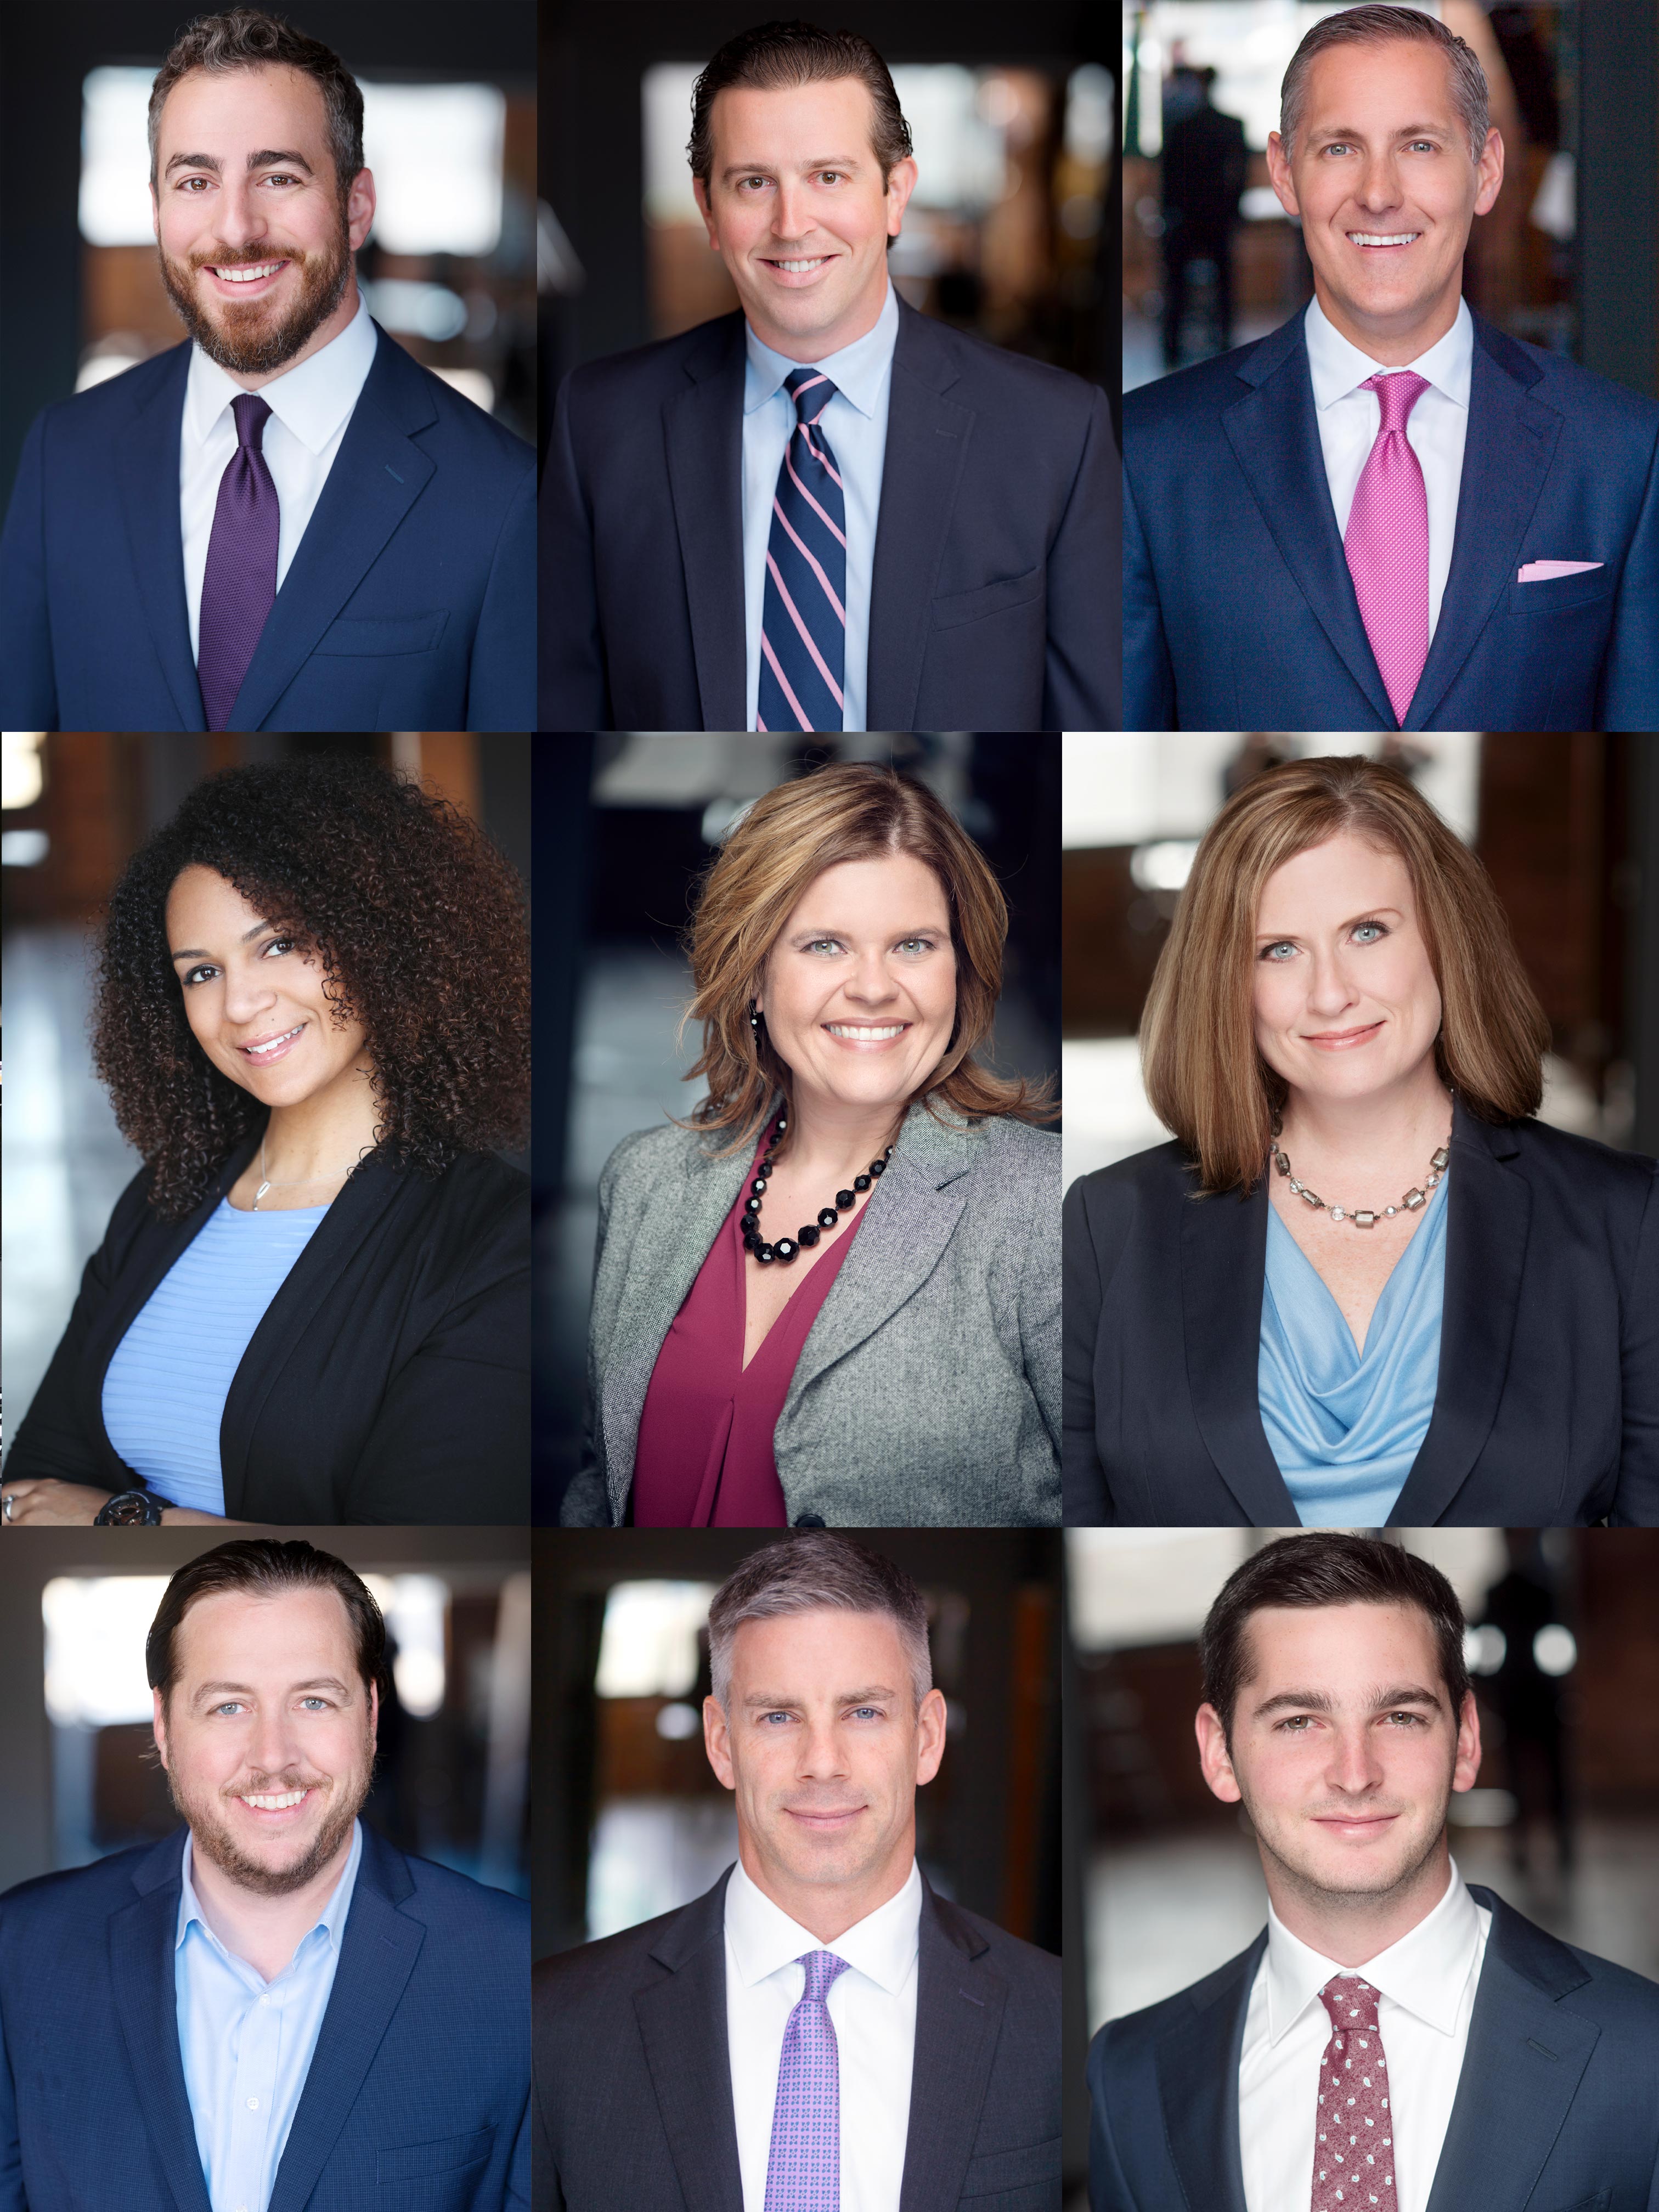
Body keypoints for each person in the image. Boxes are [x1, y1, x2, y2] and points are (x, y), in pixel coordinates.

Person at [1062, 753, 1658, 1526]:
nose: (1331, 992)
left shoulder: (1625, 1218)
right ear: (1227, 983)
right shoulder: (1106, 1227)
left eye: (1368, 932)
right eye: (1279, 949)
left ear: (1447, 940)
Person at [541, 19, 1119, 735]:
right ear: (708, 209)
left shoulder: (1055, 432)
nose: (792, 223)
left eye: (828, 177)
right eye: (754, 183)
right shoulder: (600, 424)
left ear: (895, 192)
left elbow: (1090, 728)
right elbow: (562, 716)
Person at [1, 752, 530, 1524]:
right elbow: (29, 1489)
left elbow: (414, 1542)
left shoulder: (487, 1238)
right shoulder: (164, 1201)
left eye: (279, 944)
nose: (241, 1004)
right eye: (200, 973)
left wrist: (120, 1518)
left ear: (379, 939)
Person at [1122, 5, 1658, 732]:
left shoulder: (1621, 448)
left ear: (1486, 170)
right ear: (1285, 173)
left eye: (1420, 146)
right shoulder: (1147, 452)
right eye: (1340, 148)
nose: (1378, 195)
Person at [0, 7, 534, 734]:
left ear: (355, 205)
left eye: (278, 177)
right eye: (195, 182)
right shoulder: (63, 456)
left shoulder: (506, 498)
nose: (235, 229)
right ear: (156, 210)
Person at [1088, 1533, 1659, 2212]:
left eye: (1400, 1716)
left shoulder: (1641, 2053)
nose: (1355, 1774)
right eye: (1300, 1722)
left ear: (1466, 1741)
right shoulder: (1129, 2075)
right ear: (1219, 1753)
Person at [565, 763, 1060, 1528]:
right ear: (755, 974)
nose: (873, 987)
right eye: (826, 945)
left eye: (914, 946)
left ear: (961, 973)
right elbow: (600, 1486)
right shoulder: (644, 1181)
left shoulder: (1037, 1205)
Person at [533, 1532, 1060, 2209]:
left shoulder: (1051, 2021)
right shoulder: (557, 2026)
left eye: (864, 1712)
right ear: (723, 1744)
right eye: (779, 1716)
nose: (823, 1761)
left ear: (926, 1737)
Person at [0, 1539, 530, 2211]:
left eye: (313, 1702)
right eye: (228, 1706)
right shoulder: (21, 1949)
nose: (273, 1758)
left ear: (369, 1716)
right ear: (164, 1726)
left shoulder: (512, 1968)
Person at [1159, 66, 1249, 369]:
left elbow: (1167, 180)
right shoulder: (1231, 125)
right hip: (1219, 221)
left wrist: (1171, 215)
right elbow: (1241, 178)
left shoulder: (1179, 127)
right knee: (1225, 284)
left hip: (1185, 220)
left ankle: (1171, 349)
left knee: (1175, 287)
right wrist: (1233, 212)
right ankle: (1224, 342)